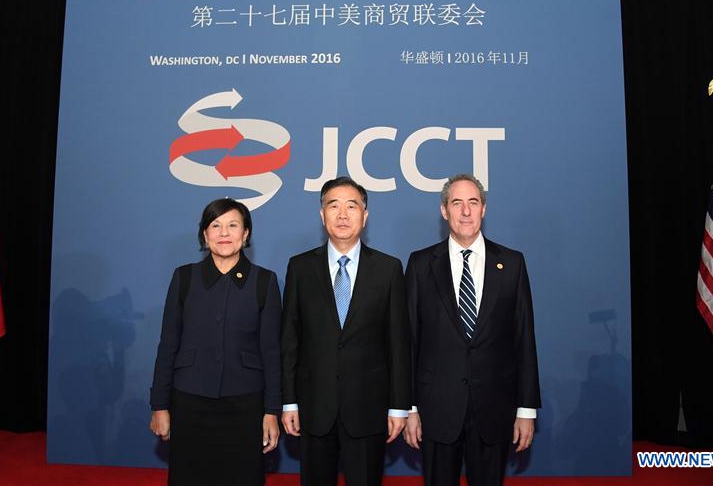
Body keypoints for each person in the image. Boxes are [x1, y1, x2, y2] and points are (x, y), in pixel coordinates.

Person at [402, 174, 541, 486]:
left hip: (494, 408)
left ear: (484, 209)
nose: (465, 211)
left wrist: (526, 409)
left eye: (473, 202)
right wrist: (409, 407)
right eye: (457, 203)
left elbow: (524, 339)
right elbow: (408, 341)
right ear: (444, 211)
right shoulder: (420, 264)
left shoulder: (512, 264)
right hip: (436, 410)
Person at [280, 177, 411, 486]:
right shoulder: (300, 268)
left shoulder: (388, 269)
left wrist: (398, 405)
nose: (342, 215)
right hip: (314, 408)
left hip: (369, 408)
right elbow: (289, 340)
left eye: (351, 206)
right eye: (333, 206)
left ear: (364, 216)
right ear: (321, 214)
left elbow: (398, 343)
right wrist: (289, 402)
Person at [149, 198, 281, 486]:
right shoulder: (184, 277)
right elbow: (168, 344)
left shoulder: (264, 281)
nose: (224, 233)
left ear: (245, 234)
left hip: (245, 405)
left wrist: (271, 412)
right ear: (205, 235)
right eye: (216, 225)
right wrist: (159, 405)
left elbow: (272, 353)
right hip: (190, 402)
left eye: (233, 225)